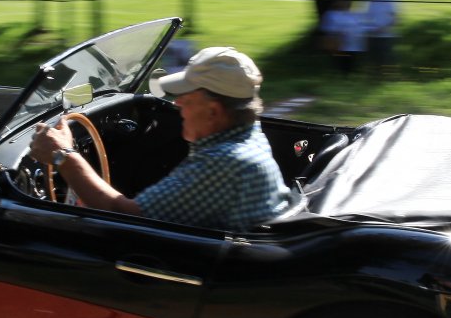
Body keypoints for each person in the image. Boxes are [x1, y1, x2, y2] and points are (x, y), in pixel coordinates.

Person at [27, 46, 291, 232]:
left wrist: (63, 156)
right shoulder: (250, 136)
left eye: (185, 99)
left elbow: (125, 217)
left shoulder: (224, 163)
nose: (176, 104)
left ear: (213, 111)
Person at [319, 0, 365, 73]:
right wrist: (338, 32)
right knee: (340, 64)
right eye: (343, 1)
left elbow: (360, 28)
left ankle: (347, 75)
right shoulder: (331, 14)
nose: (345, 3)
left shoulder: (355, 14)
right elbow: (326, 28)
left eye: (347, 1)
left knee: (350, 65)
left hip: (352, 46)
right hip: (337, 45)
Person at [363, 0, 400, 74]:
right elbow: (367, 17)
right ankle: (375, 75)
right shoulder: (372, 0)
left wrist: (385, 28)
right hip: (373, 34)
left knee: (386, 57)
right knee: (374, 57)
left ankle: (387, 75)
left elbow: (395, 18)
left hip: (386, 35)